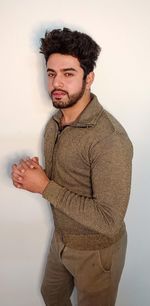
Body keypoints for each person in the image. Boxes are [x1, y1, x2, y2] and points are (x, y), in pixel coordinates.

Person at [11, 27, 133, 306]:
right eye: (52, 74)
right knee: (51, 294)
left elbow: (108, 220)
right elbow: (60, 182)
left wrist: (44, 187)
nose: (57, 83)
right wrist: (32, 176)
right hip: (62, 240)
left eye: (68, 74)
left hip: (97, 252)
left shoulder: (109, 139)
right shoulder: (55, 123)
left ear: (89, 78)